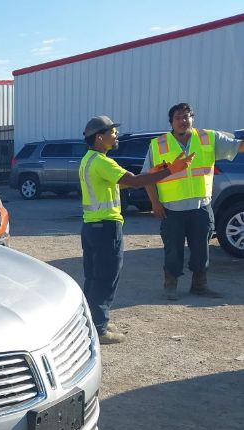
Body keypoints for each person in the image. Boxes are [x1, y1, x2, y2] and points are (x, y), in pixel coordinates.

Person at [79, 115, 193, 344]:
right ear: (99, 137)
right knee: (106, 277)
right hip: (106, 228)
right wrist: (172, 170)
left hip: (92, 227)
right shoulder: (102, 162)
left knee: (94, 277)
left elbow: (127, 179)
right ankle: (100, 328)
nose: (116, 135)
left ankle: (94, 320)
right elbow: (135, 181)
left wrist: (156, 172)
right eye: (112, 131)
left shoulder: (90, 160)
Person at [143, 103, 244, 300]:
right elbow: (148, 177)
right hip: (172, 209)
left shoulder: (208, 138)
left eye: (187, 116)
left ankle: (199, 285)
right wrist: (154, 203)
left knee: (201, 249)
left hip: (201, 207)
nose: (183, 120)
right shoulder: (158, 144)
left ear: (193, 118)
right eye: (178, 117)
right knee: (173, 249)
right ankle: (170, 285)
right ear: (171, 122)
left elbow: (238, 146)